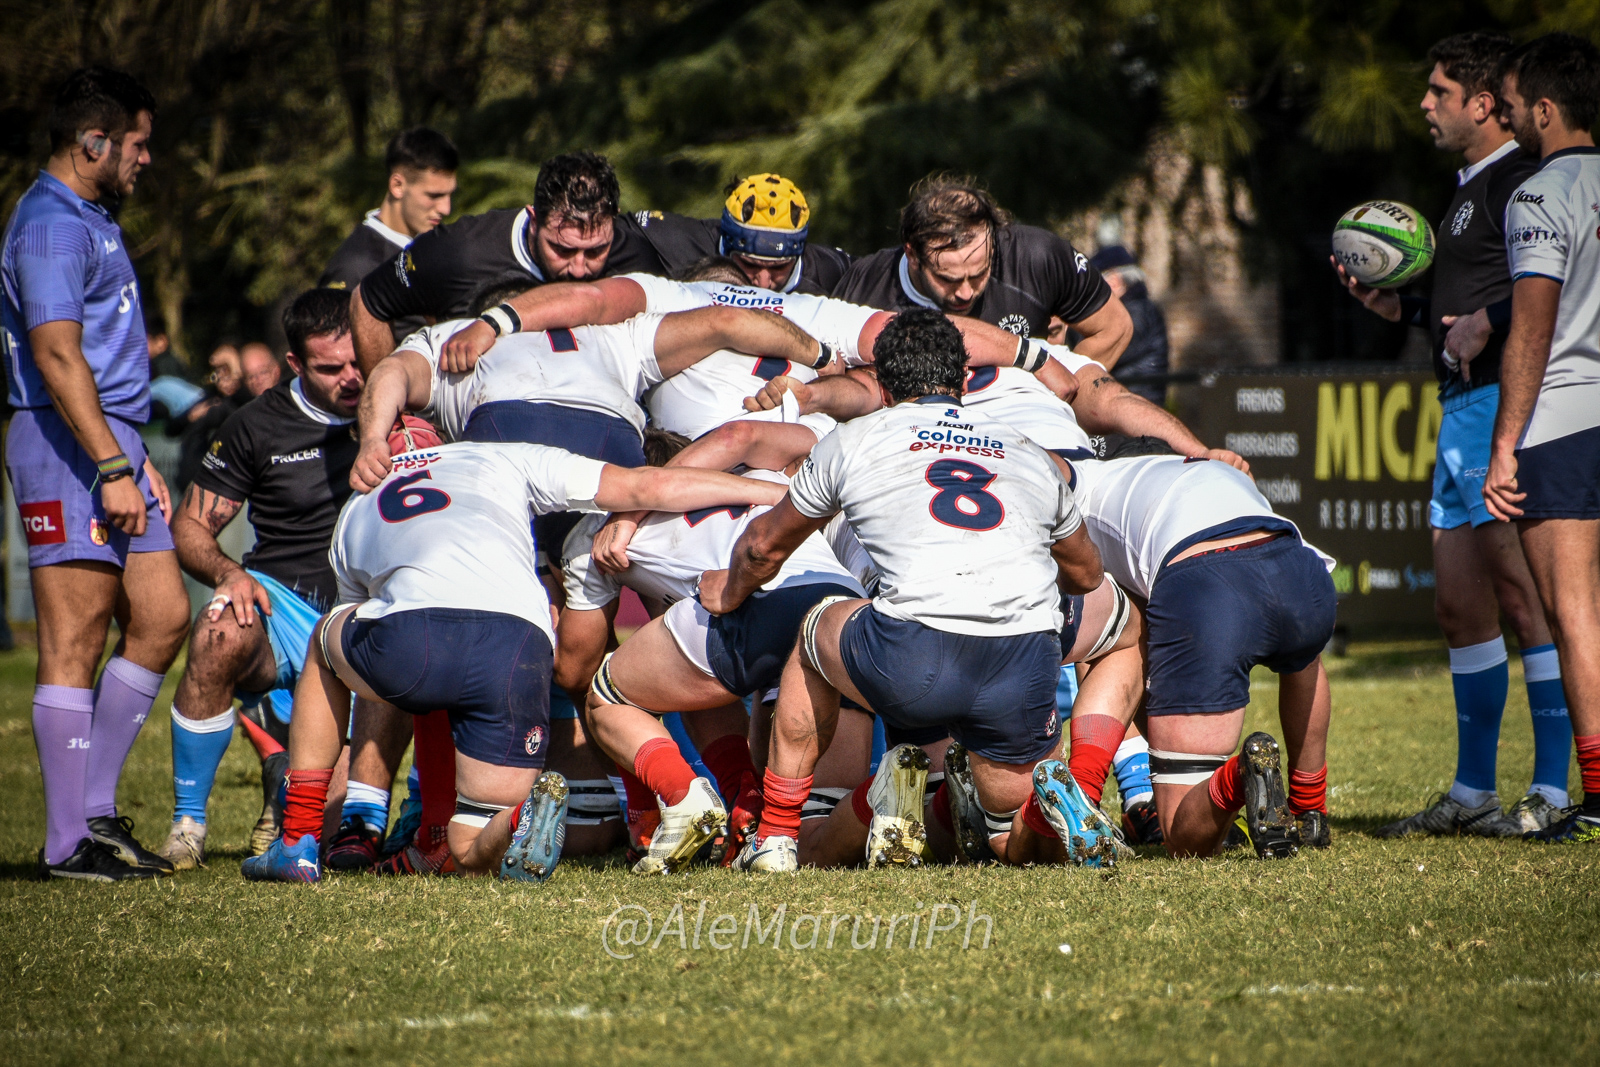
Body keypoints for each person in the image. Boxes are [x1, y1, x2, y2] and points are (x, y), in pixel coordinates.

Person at [240, 438, 790, 882]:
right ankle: (516, 821)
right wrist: (778, 494)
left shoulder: (364, 497)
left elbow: (361, 606)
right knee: (470, 841)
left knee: (325, 644)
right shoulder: (497, 455)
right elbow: (648, 483)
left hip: (414, 639)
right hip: (517, 643)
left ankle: (299, 840)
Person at [699, 311, 1107, 872]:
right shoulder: (1029, 450)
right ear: (964, 381)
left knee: (815, 628)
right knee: (1004, 842)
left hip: (916, 655)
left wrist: (728, 589)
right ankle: (1047, 815)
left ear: (883, 387)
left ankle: (773, 836)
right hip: (1024, 654)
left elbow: (762, 548)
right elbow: (1087, 574)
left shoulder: (855, 438)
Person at [1334, 33, 1566, 840]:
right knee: (1462, 606)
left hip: (1508, 405)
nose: (1425, 104)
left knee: (1527, 603)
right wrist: (1396, 308)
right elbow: (1455, 307)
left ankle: (1552, 789)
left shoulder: (1525, 181)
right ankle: (1473, 791)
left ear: (1484, 103)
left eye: (1439, 91)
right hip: (1457, 408)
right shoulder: (1463, 193)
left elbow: (1552, 288)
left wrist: (1490, 322)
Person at [1, 67, 190, 881]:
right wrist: (111, 461)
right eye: (138, 144)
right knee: (73, 639)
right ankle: (66, 842)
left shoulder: (92, 217)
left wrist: (135, 455)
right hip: (65, 441)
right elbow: (54, 352)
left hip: (113, 440)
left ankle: (97, 813)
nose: (146, 159)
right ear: (93, 143)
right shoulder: (49, 224)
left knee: (163, 615)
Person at [154, 289, 367, 869]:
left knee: (318, 833)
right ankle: (188, 824)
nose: (352, 378)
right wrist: (230, 573)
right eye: (331, 368)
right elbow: (191, 524)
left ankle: (289, 780)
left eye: (357, 361)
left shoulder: (400, 404)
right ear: (295, 364)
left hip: (368, 616)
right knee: (218, 628)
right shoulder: (256, 425)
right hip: (282, 608)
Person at [1067, 447, 1338, 857]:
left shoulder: (1078, 484)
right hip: (1300, 569)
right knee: (1303, 657)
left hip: (1209, 583)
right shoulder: (1199, 466)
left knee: (1182, 834)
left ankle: (1240, 775)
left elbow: (1100, 651)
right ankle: (1310, 809)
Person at [1483, 32, 1600, 846]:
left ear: (1547, 110)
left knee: (1574, 613)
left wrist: (1503, 445)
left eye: (1517, 103)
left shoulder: (1538, 193)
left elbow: (1532, 328)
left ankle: (1597, 800)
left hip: (1563, 422)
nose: (1510, 114)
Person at [348, 151, 677, 373]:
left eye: (595, 251)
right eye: (562, 250)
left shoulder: (636, 253)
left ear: (614, 222)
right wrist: (396, 418)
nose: (579, 268)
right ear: (533, 219)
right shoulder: (457, 253)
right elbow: (367, 303)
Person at [830, 176, 1133, 365]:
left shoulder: (1036, 256)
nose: (965, 292)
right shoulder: (865, 288)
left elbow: (1114, 328)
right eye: (947, 279)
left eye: (978, 274)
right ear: (912, 255)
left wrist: (1051, 400)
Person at [626, 174, 853, 295]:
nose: (763, 283)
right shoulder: (678, 239)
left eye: (778, 268)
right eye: (750, 265)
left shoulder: (832, 270)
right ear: (728, 245)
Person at [319, 127, 459, 293]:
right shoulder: (355, 269)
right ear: (397, 186)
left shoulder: (438, 250)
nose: (446, 209)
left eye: (450, 195)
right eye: (434, 196)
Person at [1087, 245, 1169, 404]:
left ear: (1114, 281)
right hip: (1129, 401)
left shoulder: (1138, 312)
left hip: (1137, 404)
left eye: (1096, 282)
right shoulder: (1137, 310)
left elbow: (1111, 348)